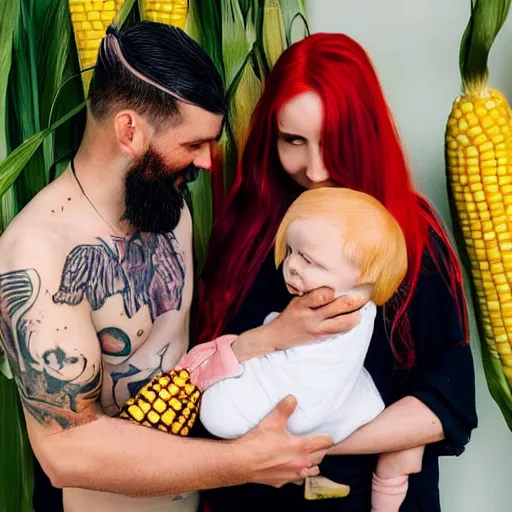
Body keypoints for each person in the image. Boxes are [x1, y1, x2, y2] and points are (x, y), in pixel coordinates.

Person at [0, 22, 365, 512]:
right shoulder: (36, 253)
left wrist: (277, 338)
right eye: (193, 144)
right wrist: (246, 461)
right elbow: (66, 450)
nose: (209, 163)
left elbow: (188, 370)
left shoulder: (169, 210)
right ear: (130, 130)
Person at [197, 32, 478, 511]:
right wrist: (278, 336)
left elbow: (446, 407)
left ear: (365, 134)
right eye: (293, 141)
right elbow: (203, 372)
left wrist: (301, 445)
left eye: (334, 142)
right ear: (271, 137)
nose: (318, 168)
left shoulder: (411, 239)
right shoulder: (243, 232)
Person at [200, 187, 423, 511]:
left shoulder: (339, 308)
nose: (290, 265)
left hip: (311, 404)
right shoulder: (357, 298)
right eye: (290, 250)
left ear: (363, 273)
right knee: (387, 431)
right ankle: (328, 482)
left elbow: (304, 362)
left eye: (309, 259)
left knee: (218, 414)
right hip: (343, 396)